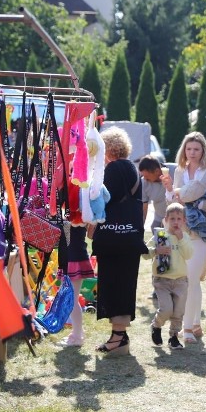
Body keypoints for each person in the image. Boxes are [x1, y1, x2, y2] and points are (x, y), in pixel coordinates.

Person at [89, 127, 147, 356]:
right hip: (130, 238)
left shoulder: (112, 170)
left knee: (113, 283)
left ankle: (119, 337)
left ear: (108, 148)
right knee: (125, 284)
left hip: (113, 239)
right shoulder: (132, 169)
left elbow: (103, 201)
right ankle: (119, 335)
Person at [162, 132, 206, 344]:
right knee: (186, 279)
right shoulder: (179, 171)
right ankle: (195, 323)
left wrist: (203, 205)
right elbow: (172, 202)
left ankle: (186, 328)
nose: (192, 153)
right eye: (189, 149)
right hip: (181, 230)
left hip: (201, 231)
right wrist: (169, 190)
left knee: (191, 279)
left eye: (196, 149)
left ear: (203, 150)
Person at [144, 203, 193, 350]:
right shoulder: (160, 236)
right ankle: (156, 325)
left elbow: (188, 254)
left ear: (184, 221)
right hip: (162, 280)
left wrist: (181, 239)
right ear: (166, 220)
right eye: (172, 219)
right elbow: (145, 253)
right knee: (166, 309)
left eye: (179, 219)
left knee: (178, 311)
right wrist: (156, 250)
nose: (176, 222)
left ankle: (173, 337)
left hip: (180, 281)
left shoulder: (184, 237)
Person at [58, 225, 96, 347]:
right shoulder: (70, 212)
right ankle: (77, 333)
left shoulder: (78, 211)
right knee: (70, 299)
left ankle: (77, 336)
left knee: (72, 300)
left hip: (74, 259)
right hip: (70, 257)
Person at [139, 155, 167, 230]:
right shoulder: (143, 182)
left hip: (178, 218)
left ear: (157, 171)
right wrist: (141, 227)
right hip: (160, 217)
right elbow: (144, 207)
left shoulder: (174, 171)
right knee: (154, 228)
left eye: (147, 176)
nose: (145, 178)